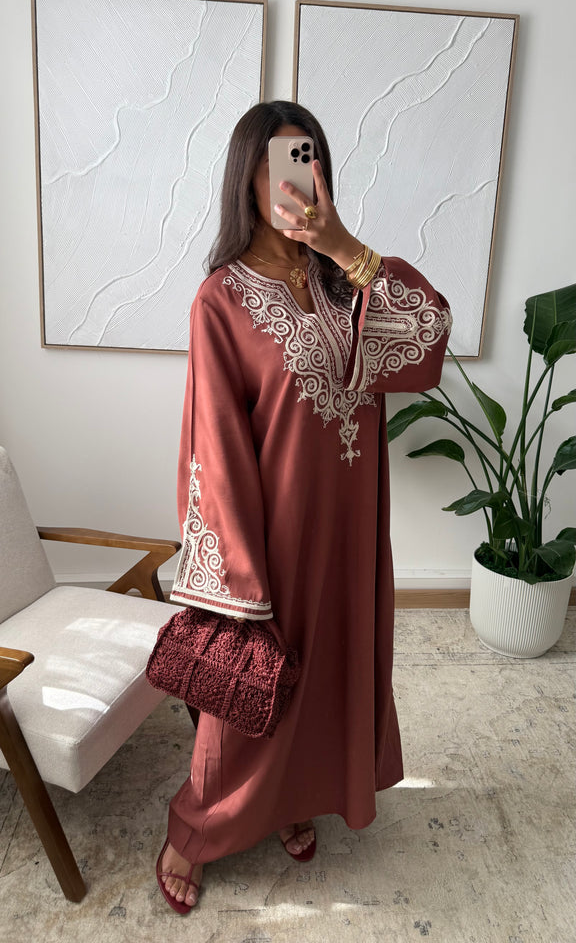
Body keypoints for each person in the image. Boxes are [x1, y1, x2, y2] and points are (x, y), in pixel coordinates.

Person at [156, 100, 451, 913]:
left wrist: (345, 247)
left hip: (350, 534)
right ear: (248, 178)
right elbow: (213, 446)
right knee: (251, 698)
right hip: (275, 543)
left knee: (329, 680)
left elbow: (429, 340)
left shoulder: (347, 284)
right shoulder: (221, 301)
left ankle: (296, 799)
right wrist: (242, 578)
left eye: (310, 159)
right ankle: (193, 831)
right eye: (281, 162)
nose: (300, 178)